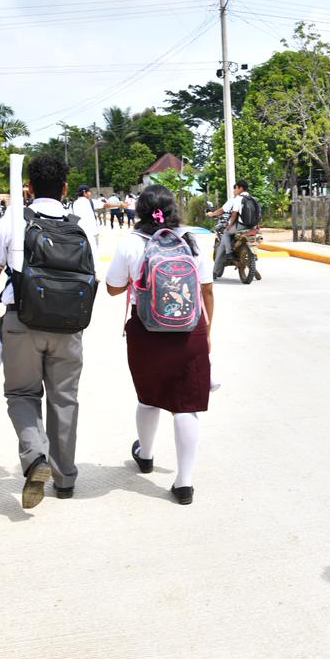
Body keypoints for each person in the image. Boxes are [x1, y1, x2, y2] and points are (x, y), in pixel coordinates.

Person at [0, 155, 98, 508]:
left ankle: (35, 457)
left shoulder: (13, 220)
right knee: (64, 399)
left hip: (22, 321)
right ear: (65, 188)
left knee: (22, 394)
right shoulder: (82, 224)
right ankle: (65, 480)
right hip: (69, 326)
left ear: (29, 188)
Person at [105, 185, 214, 505]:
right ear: (173, 209)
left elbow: (112, 288)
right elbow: (207, 290)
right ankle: (184, 483)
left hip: (146, 329)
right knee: (187, 406)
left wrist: (137, 279)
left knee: (149, 397)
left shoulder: (130, 242)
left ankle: (146, 454)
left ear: (139, 211)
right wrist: (207, 333)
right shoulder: (190, 241)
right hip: (191, 329)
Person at [208, 179, 249, 279]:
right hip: (251, 226)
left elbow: (227, 211)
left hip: (240, 226)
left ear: (240, 188)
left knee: (223, 241)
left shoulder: (236, 199)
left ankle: (217, 269)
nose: (234, 191)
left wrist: (212, 214)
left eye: (235, 188)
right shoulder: (252, 198)